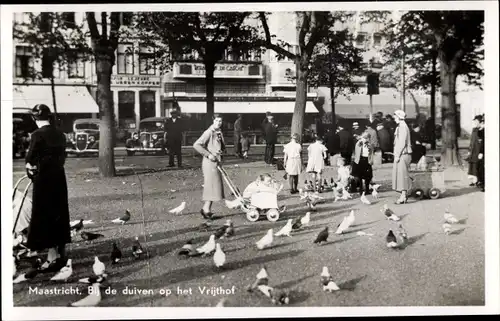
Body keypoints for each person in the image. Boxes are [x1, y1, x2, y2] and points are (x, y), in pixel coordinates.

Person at [25, 104, 71, 272]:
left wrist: (31, 168)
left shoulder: (37, 135)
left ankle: (52, 257)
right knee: (59, 213)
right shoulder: (60, 134)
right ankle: (61, 253)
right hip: (59, 178)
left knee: (44, 214)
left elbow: (30, 158)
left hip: (43, 180)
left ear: (34, 118)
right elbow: (63, 157)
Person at [193, 114, 226, 219]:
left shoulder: (219, 132)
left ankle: (206, 209)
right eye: (217, 120)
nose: (219, 123)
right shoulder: (208, 132)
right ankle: (206, 210)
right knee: (210, 187)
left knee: (213, 187)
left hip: (216, 162)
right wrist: (208, 154)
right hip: (209, 163)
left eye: (220, 121)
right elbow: (196, 145)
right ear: (213, 121)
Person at [392, 110, 413, 204]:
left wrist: (397, 155)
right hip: (403, 154)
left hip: (403, 154)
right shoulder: (402, 126)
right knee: (401, 176)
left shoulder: (402, 127)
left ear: (399, 117)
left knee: (402, 176)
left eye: (395, 117)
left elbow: (401, 143)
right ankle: (403, 195)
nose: (394, 119)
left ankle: (403, 196)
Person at [467, 115, 482, 186]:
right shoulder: (474, 130)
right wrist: (469, 150)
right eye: (475, 121)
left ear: (480, 122)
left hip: (478, 150)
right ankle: (473, 180)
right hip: (472, 150)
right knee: (472, 165)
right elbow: (471, 141)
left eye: (476, 121)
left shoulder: (481, 130)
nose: (475, 122)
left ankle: (478, 181)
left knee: (477, 165)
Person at [476, 115, 485, 191]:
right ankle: (482, 183)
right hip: (483, 151)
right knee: (480, 167)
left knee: (482, 168)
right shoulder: (482, 129)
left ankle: (484, 185)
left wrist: (481, 152)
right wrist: (481, 128)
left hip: (485, 151)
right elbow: (481, 137)